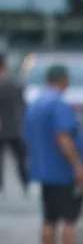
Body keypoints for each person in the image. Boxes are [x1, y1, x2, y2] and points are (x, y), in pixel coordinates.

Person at [23, 65, 83, 244]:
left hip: (43, 169)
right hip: (62, 171)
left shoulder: (36, 103)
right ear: (63, 79)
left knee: (49, 219)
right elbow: (63, 137)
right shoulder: (58, 105)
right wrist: (77, 166)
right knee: (70, 219)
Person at [0, 57, 29, 195]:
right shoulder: (17, 83)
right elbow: (24, 104)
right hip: (18, 126)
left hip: (2, 127)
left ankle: (1, 188)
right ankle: (25, 184)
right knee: (21, 160)